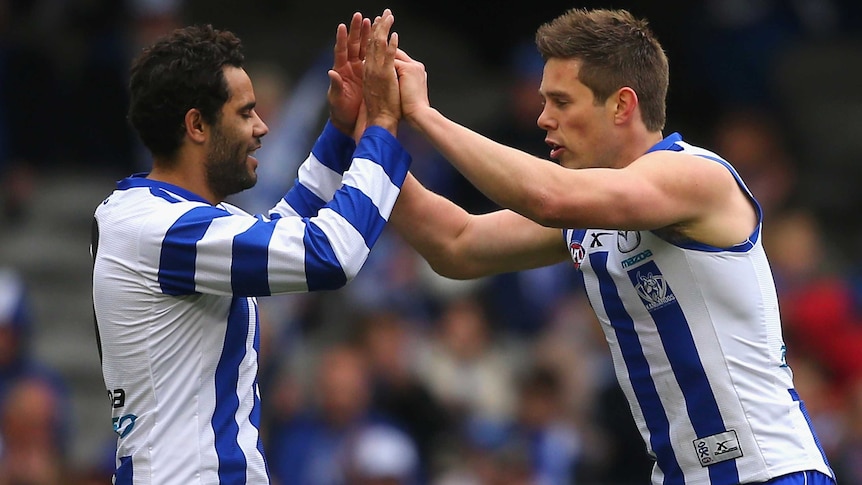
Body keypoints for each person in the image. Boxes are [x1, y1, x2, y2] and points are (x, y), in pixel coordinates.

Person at [367, 7, 836, 485]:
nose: (543, 118)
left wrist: (423, 115)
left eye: (561, 102)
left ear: (621, 105)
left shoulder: (695, 176)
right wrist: (366, 140)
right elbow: (457, 244)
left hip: (771, 472)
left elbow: (547, 197)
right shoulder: (590, 207)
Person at [91, 10, 407, 484]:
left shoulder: (167, 218)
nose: (262, 127)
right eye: (245, 113)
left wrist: (341, 131)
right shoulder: (162, 228)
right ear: (197, 125)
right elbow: (331, 254)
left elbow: (286, 229)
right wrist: (381, 126)